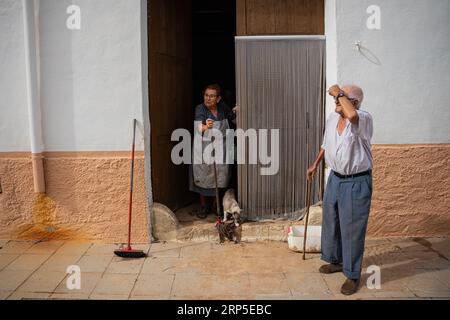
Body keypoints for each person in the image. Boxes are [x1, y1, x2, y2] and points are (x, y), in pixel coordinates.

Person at [307, 84, 373, 295]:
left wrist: (338, 92)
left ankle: (352, 274)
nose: (335, 101)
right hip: (335, 178)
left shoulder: (363, 117)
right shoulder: (333, 118)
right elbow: (326, 143)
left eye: (340, 99)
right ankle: (336, 260)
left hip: (356, 181)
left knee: (352, 228)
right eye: (336, 98)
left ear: (352, 102)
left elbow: (352, 115)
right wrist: (315, 164)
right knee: (332, 221)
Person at [190, 84, 237, 219]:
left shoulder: (223, 107)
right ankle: (204, 206)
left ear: (218, 98)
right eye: (206, 95)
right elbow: (199, 126)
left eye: (212, 96)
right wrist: (206, 126)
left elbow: (233, 120)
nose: (208, 98)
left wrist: (235, 112)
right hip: (204, 148)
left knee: (220, 176)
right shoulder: (200, 108)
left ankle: (216, 204)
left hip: (221, 147)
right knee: (204, 176)